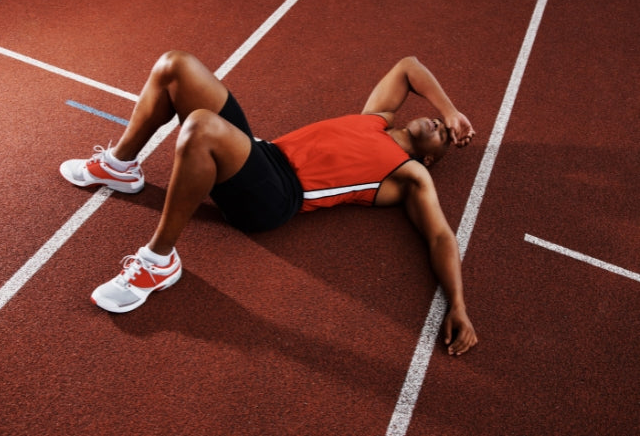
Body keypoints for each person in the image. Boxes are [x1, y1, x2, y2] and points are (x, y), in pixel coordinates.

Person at [60, 50, 478, 355]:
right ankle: (120, 166)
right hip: (263, 155)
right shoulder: (376, 117)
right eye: (441, 123)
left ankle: (159, 262)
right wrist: (453, 110)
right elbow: (408, 66)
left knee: (202, 128)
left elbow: (441, 236)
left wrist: (456, 304)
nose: (440, 125)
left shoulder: (409, 173)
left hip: (276, 197)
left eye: (444, 134)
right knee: (176, 66)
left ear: (430, 159)